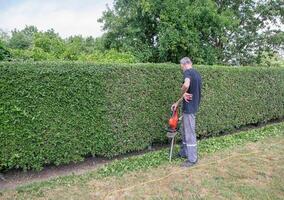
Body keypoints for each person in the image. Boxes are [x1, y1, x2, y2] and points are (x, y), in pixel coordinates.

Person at [171, 57, 202, 167]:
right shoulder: (197, 74)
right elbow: (188, 93)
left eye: (181, 67)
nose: (182, 69)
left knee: (189, 134)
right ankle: (184, 152)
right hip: (190, 108)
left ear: (184, 64)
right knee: (184, 132)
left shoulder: (187, 72)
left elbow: (186, 85)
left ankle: (192, 159)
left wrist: (182, 91)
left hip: (189, 110)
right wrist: (177, 103)